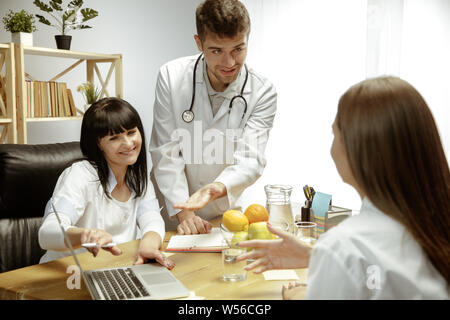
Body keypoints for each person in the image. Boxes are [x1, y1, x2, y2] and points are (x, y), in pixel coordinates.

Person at [237, 76, 450, 299]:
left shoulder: (345, 246)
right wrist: (317, 257)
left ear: (358, 151)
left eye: (334, 133)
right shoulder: (436, 225)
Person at [150, 0, 277, 235]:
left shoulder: (262, 91)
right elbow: (165, 152)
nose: (229, 63)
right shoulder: (171, 76)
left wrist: (214, 189)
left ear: (248, 39)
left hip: (224, 211)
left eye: (238, 49)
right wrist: (185, 213)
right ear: (199, 43)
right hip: (175, 209)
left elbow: (251, 158)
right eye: (216, 51)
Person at [39, 97, 174, 270]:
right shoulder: (80, 175)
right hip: (67, 274)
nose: (128, 143)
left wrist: (148, 245)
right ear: (98, 143)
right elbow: (46, 234)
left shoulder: (138, 177)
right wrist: (84, 235)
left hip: (115, 270)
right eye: (115, 138)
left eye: (131, 132)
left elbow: (152, 219)